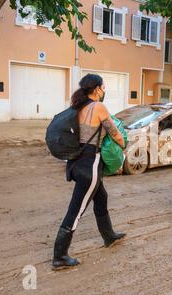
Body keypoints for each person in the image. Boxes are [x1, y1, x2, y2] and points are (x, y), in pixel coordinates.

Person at [52, 74, 126, 270]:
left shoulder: (78, 106)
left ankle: (109, 236)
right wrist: (123, 143)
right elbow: (114, 133)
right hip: (90, 164)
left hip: (76, 162)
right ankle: (59, 255)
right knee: (75, 211)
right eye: (103, 87)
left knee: (101, 197)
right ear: (97, 89)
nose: (104, 90)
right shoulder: (98, 107)